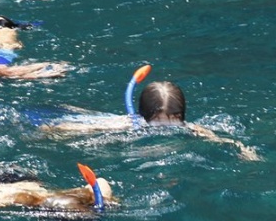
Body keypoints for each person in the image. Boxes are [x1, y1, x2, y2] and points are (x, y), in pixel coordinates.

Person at [39, 67, 261, 161]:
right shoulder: (129, 124)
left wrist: (242, 149)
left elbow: (216, 137)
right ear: (144, 117)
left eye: (173, 122)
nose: (166, 128)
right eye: (159, 123)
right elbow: (77, 128)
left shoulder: (187, 128)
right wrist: (52, 132)